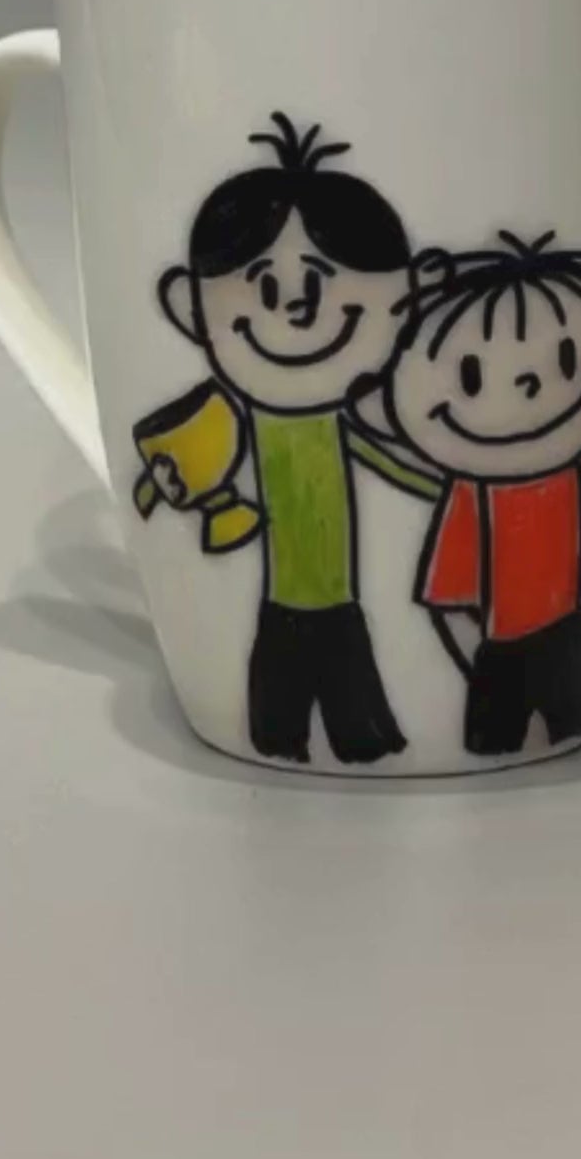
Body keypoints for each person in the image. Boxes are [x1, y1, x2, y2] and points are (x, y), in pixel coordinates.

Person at [147, 114, 442, 764]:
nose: (298, 312)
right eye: (265, 290)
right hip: (287, 602)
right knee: (283, 713)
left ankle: (337, 745)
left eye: (324, 288)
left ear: (407, 301)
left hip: (336, 603)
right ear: (188, 308)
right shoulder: (234, 422)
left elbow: (386, 461)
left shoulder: (335, 423)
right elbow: (193, 464)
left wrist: (450, 488)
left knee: (347, 721)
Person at [384, 232, 581, 756]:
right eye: (471, 378)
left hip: (569, 634)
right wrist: (480, 665)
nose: (528, 385)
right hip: (504, 647)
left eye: (566, 360)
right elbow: (448, 597)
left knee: (565, 720)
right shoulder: (473, 496)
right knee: (494, 739)